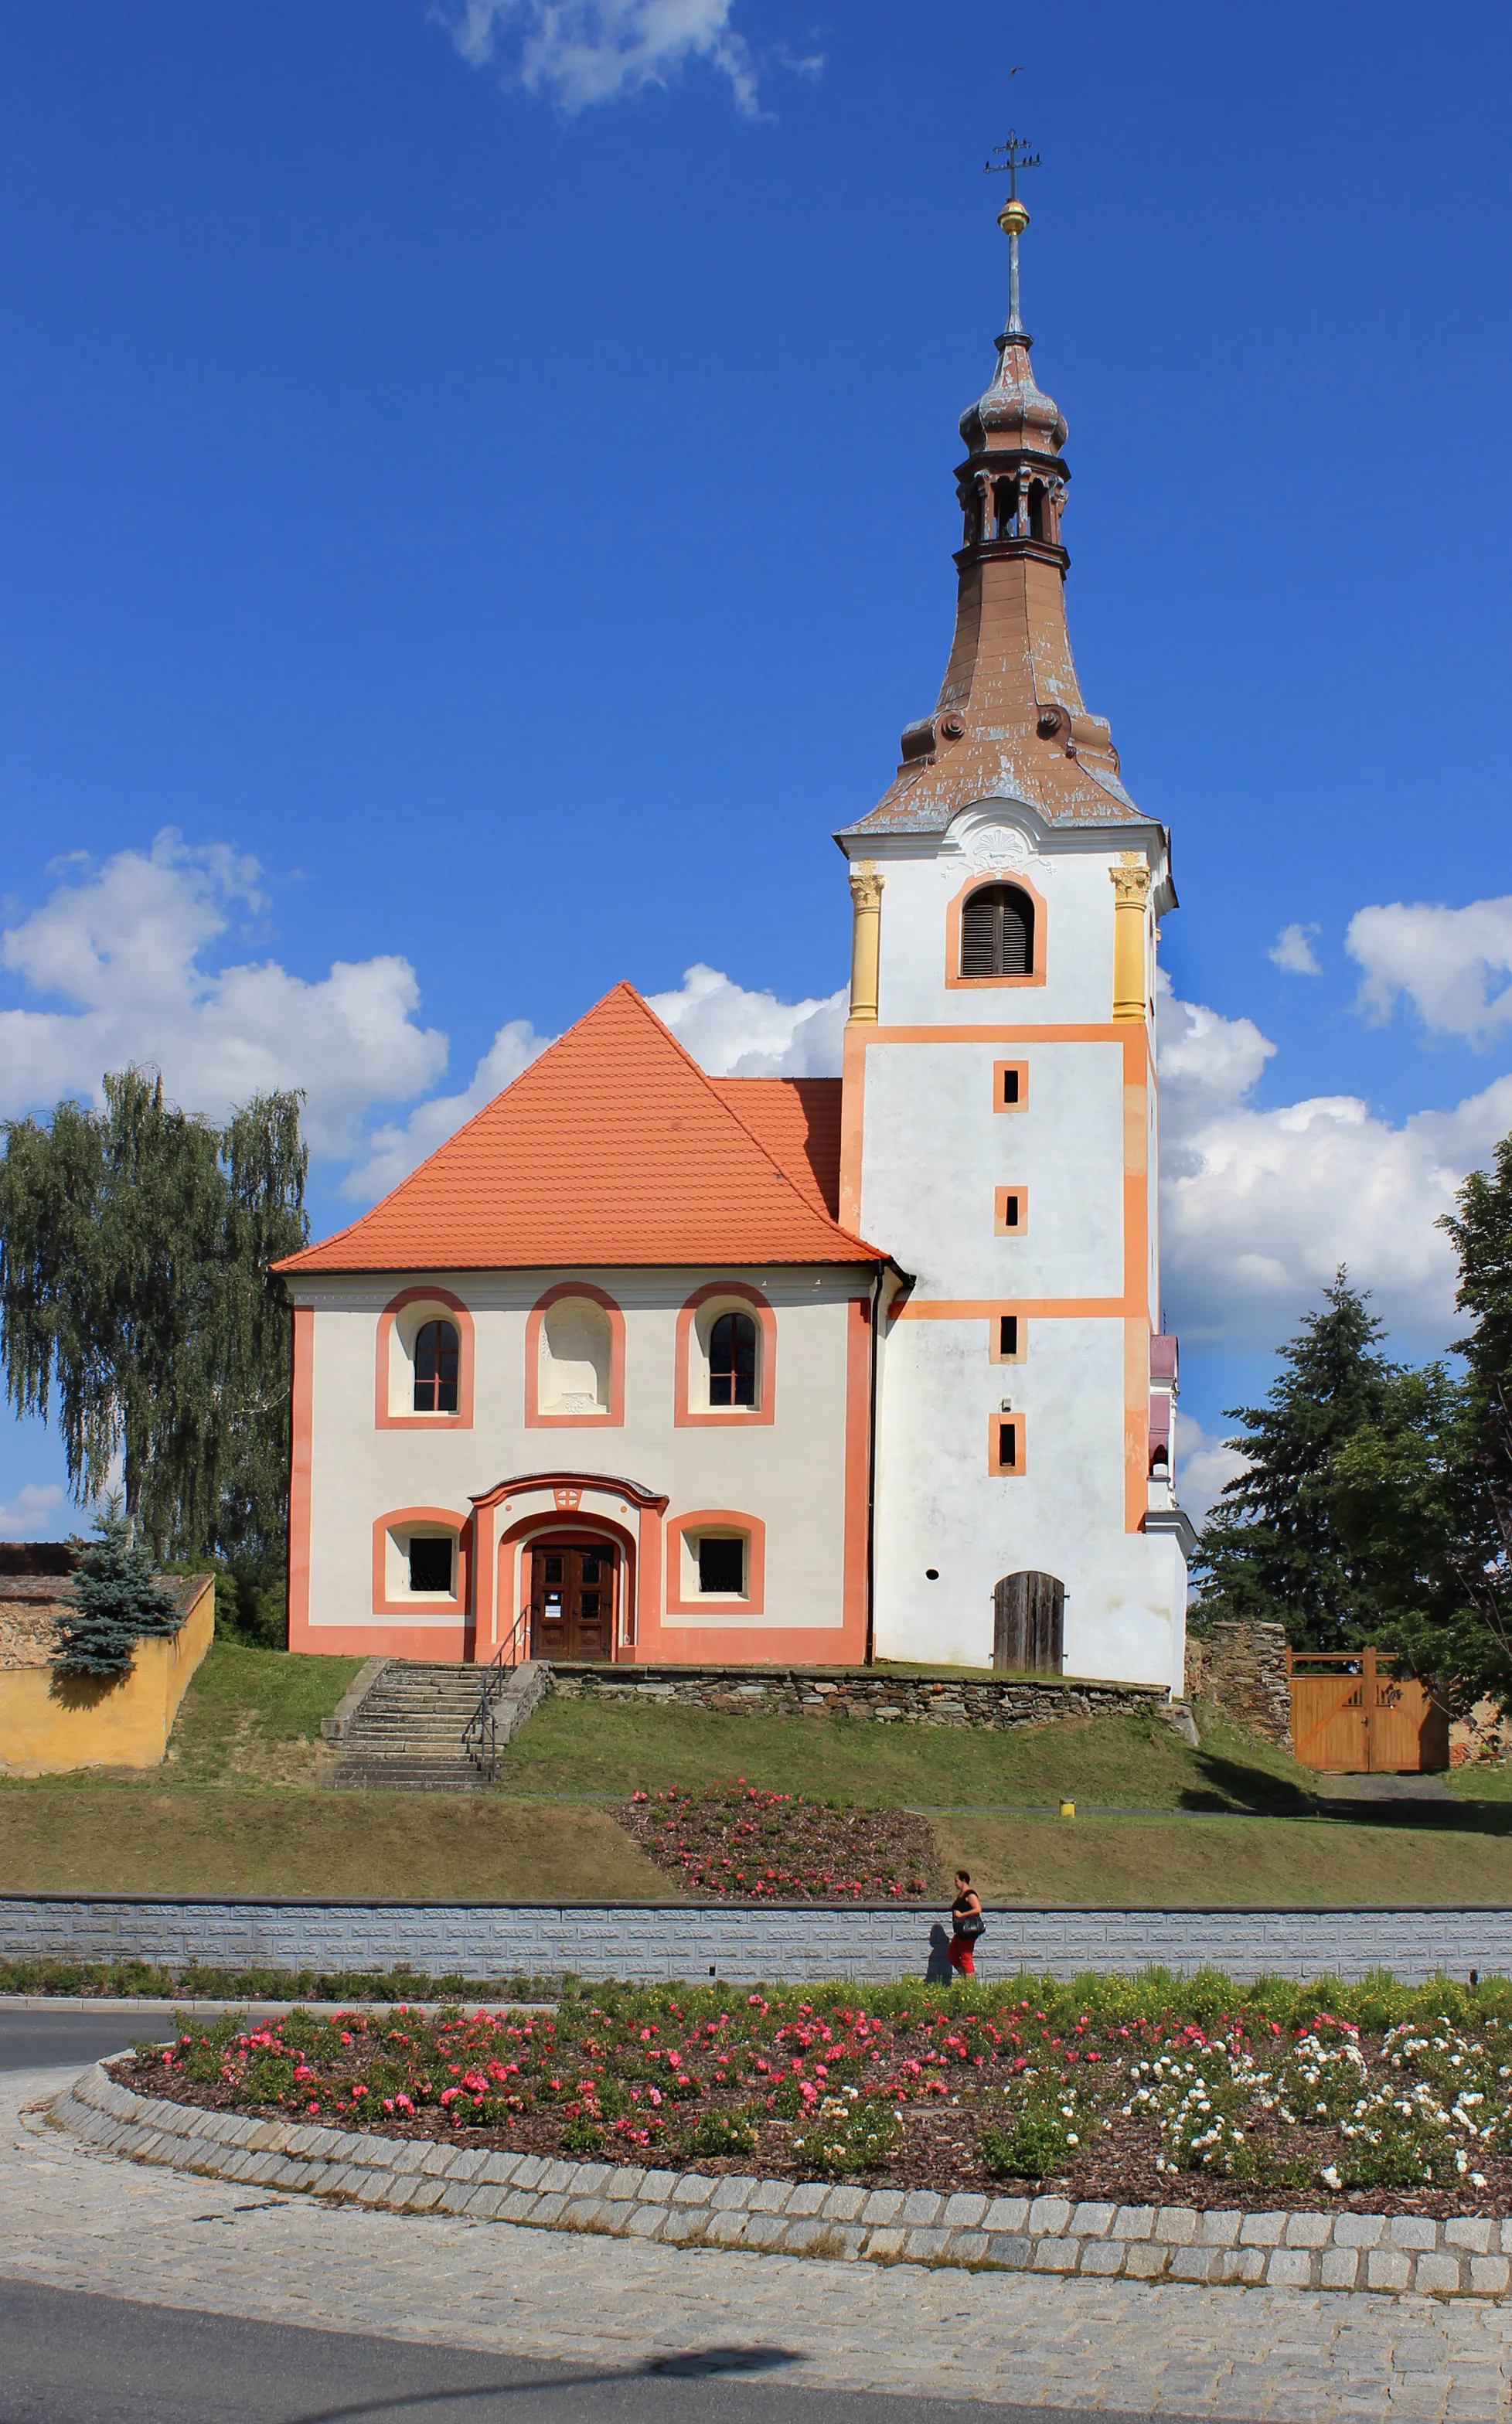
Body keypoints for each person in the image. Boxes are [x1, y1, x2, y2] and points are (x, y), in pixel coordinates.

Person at [948, 1870, 983, 1978]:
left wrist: (961, 1915)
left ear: (963, 1881)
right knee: (952, 1955)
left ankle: (970, 1984)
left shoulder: (970, 1894)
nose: (955, 1883)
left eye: (956, 1880)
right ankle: (966, 1977)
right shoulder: (961, 1894)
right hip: (960, 1931)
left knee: (966, 1957)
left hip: (967, 1930)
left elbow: (978, 1909)